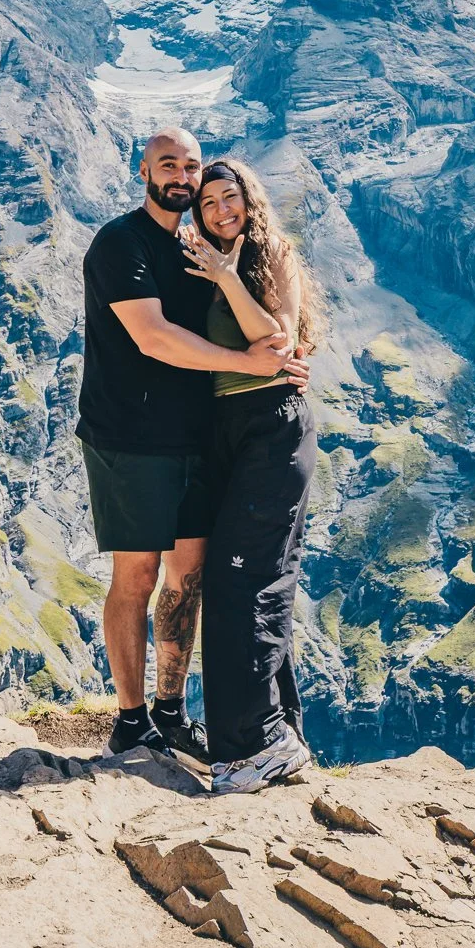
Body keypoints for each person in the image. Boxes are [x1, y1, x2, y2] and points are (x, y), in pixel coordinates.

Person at [77, 128, 308, 760]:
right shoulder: (121, 244)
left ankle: (170, 711)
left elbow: (259, 315)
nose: (181, 176)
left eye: (191, 167)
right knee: (138, 574)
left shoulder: (196, 247)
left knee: (188, 576)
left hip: (197, 439)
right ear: (144, 170)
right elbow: (154, 338)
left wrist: (289, 357)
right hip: (128, 438)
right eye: (168, 165)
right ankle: (130, 719)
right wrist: (256, 364)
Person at [180, 157, 322, 795]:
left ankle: (245, 751)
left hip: (271, 427)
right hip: (224, 434)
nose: (219, 211)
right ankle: (277, 734)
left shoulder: (273, 257)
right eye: (207, 203)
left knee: (244, 583)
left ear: (248, 199)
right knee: (250, 580)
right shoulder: (199, 262)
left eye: (229, 198)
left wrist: (229, 277)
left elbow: (278, 342)